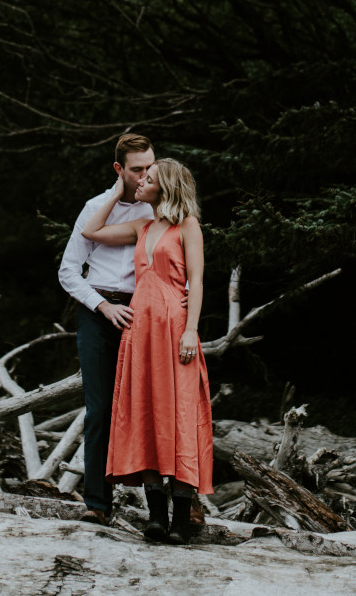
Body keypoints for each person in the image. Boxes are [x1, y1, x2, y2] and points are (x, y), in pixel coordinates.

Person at [81, 158, 213, 543]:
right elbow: (92, 230)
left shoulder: (188, 225)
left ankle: (182, 519)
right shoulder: (143, 225)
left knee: (181, 414)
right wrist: (117, 189)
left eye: (148, 179)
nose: (141, 182)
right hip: (139, 332)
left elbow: (198, 281)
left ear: (166, 186)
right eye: (139, 177)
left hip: (174, 330)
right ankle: (155, 515)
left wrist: (191, 331)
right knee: (146, 414)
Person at [58, 133, 157, 524]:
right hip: (98, 311)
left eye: (151, 167)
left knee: (152, 408)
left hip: (144, 312)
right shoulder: (95, 208)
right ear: (119, 170)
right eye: (137, 170)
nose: (146, 175)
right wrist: (102, 306)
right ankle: (97, 505)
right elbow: (68, 270)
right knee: (99, 410)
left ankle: (164, 511)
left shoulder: (160, 210)